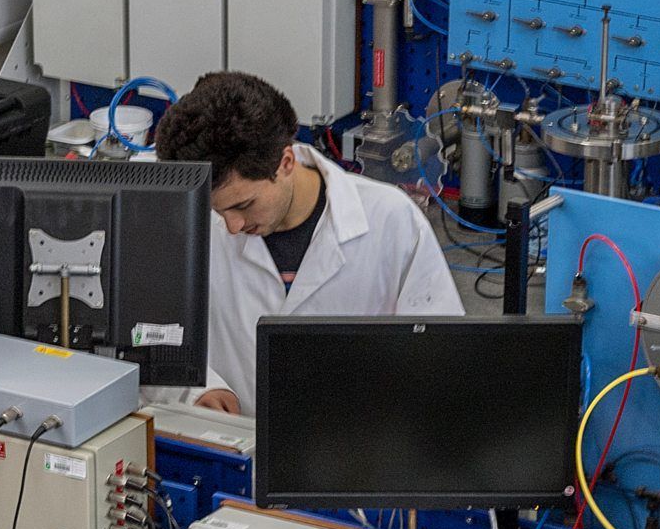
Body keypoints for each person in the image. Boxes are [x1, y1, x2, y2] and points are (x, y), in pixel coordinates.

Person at [152, 71, 462, 415]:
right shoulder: (193, 225)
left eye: (243, 205)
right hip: (232, 445)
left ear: (285, 163)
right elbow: (150, 340)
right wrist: (196, 392)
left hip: (358, 451)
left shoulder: (390, 221)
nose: (233, 225)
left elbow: (440, 357)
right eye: (218, 210)